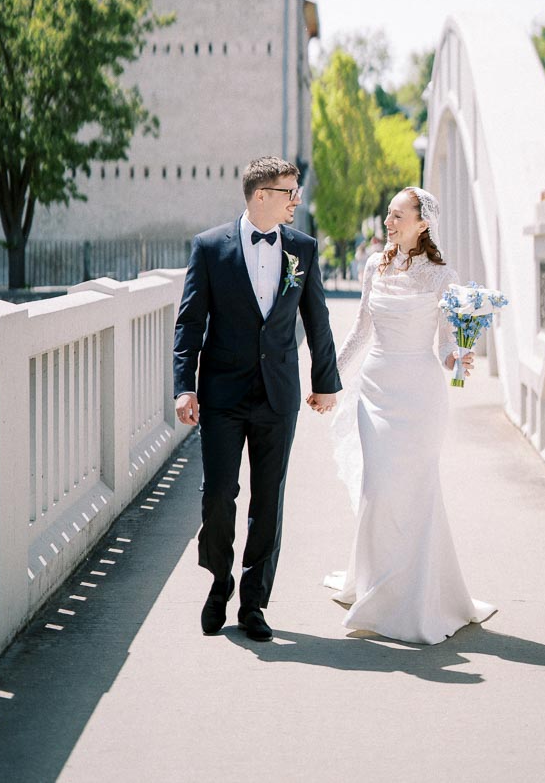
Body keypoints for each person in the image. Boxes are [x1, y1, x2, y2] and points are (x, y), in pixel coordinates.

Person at [173, 155, 342, 642]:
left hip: (278, 394)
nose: (298, 200)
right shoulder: (209, 248)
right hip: (222, 393)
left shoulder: (302, 249)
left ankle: (253, 602)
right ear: (261, 196)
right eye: (291, 191)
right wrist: (184, 386)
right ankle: (219, 580)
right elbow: (190, 323)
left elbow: (318, 318)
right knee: (218, 495)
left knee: (268, 501)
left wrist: (325, 382)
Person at [322, 186, 497, 644]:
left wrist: (460, 359)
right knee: (378, 488)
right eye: (388, 214)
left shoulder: (443, 277)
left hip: (420, 395)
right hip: (376, 392)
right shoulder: (372, 266)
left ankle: (415, 599)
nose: (388, 222)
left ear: (423, 223)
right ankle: (376, 584)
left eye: (398, 215)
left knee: (416, 491)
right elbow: (361, 330)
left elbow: (444, 346)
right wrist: (328, 379)